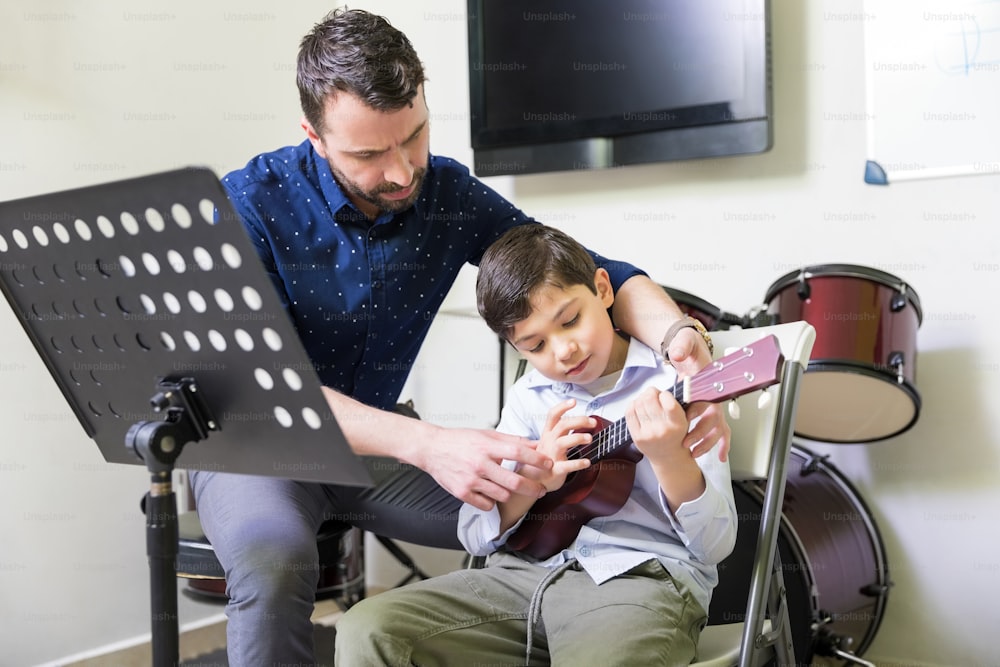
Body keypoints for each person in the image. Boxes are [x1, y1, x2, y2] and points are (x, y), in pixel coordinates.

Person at [192, 8, 729, 664]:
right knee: (275, 559)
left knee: (520, 510)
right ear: (313, 134)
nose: (400, 172)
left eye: (413, 136)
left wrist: (679, 338)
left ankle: (584, 613)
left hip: (377, 455)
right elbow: (266, 390)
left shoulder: (444, 190)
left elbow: (585, 273)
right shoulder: (247, 202)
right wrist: (430, 443)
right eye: (369, 154)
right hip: (262, 444)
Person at [333, 223, 738, 666]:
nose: (563, 351)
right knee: (368, 628)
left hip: (639, 583)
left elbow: (715, 545)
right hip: (521, 579)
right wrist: (530, 483)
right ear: (516, 347)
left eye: (570, 320)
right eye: (536, 344)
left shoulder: (677, 383)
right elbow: (473, 531)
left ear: (603, 289)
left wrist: (669, 458)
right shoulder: (530, 397)